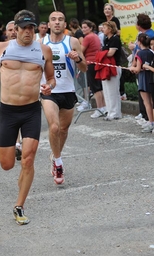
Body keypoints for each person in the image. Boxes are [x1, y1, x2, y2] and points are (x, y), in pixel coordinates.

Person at [0, 10, 55, 225]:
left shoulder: (44, 51)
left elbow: (51, 78)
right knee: (6, 164)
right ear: (15, 29)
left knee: (29, 158)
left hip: (32, 109)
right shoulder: (2, 49)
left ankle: (19, 205)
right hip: (8, 111)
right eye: (24, 28)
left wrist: (49, 86)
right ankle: (13, 154)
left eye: (31, 28)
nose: (28, 31)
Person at [40, 11, 87, 185]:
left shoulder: (73, 42)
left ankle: (55, 157)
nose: (57, 22)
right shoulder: (41, 43)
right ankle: (59, 164)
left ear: (65, 24)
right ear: (48, 25)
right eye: (53, 20)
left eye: (60, 20)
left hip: (68, 91)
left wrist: (78, 58)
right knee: (54, 127)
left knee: (63, 130)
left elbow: (84, 67)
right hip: (48, 91)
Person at [0, 20, 23, 160]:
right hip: (8, 89)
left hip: (26, 89)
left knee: (25, 115)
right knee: (12, 115)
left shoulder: (26, 45)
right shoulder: (1, 47)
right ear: (6, 32)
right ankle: (15, 143)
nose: (13, 32)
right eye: (10, 30)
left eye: (14, 29)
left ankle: (19, 142)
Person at [96, 21, 122, 121]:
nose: (103, 29)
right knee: (106, 91)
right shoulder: (107, 39)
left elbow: (111, 53)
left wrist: (100, 54)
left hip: (113, 66)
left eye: (105, 27)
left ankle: (115, 113)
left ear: (110, 29)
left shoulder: (115, 39)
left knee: (112, 91)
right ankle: (110, 111)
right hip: (106, 66)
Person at [81, 20, 106, 118]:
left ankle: (99, 108)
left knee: (95, 87)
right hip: (97, 62)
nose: (83, 29)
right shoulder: (95, 36)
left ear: (91, 28)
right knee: (99, 85)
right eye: (82, 27)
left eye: (85, 27)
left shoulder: (88, 37)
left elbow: (81, 50)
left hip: (90, 63)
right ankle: (103, 107)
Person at [130, 33, 154, 133]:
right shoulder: (151, 52)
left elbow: (137, 69)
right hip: (152, 77)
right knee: (152, 101)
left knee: (146, 102)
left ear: (139, 42)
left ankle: (151, 122)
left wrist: (132, 68)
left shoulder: (139, 53)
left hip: (143, 78)